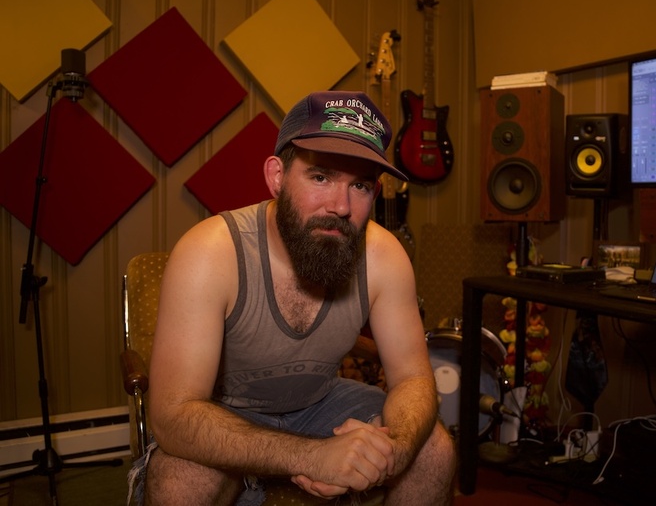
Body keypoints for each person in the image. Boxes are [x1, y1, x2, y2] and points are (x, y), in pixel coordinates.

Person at [137, 90, 456, 505]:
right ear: (276, 176)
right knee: (181, 481)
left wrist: (394, 449)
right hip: (224, 412)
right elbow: (173, 415)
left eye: (359, 185)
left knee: (434, 451)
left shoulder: (384, 256)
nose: (340, 206)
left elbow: (413, 378)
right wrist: (314, 456)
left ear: (375, 194)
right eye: (320, 177)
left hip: (320, 403)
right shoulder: (210, 252)